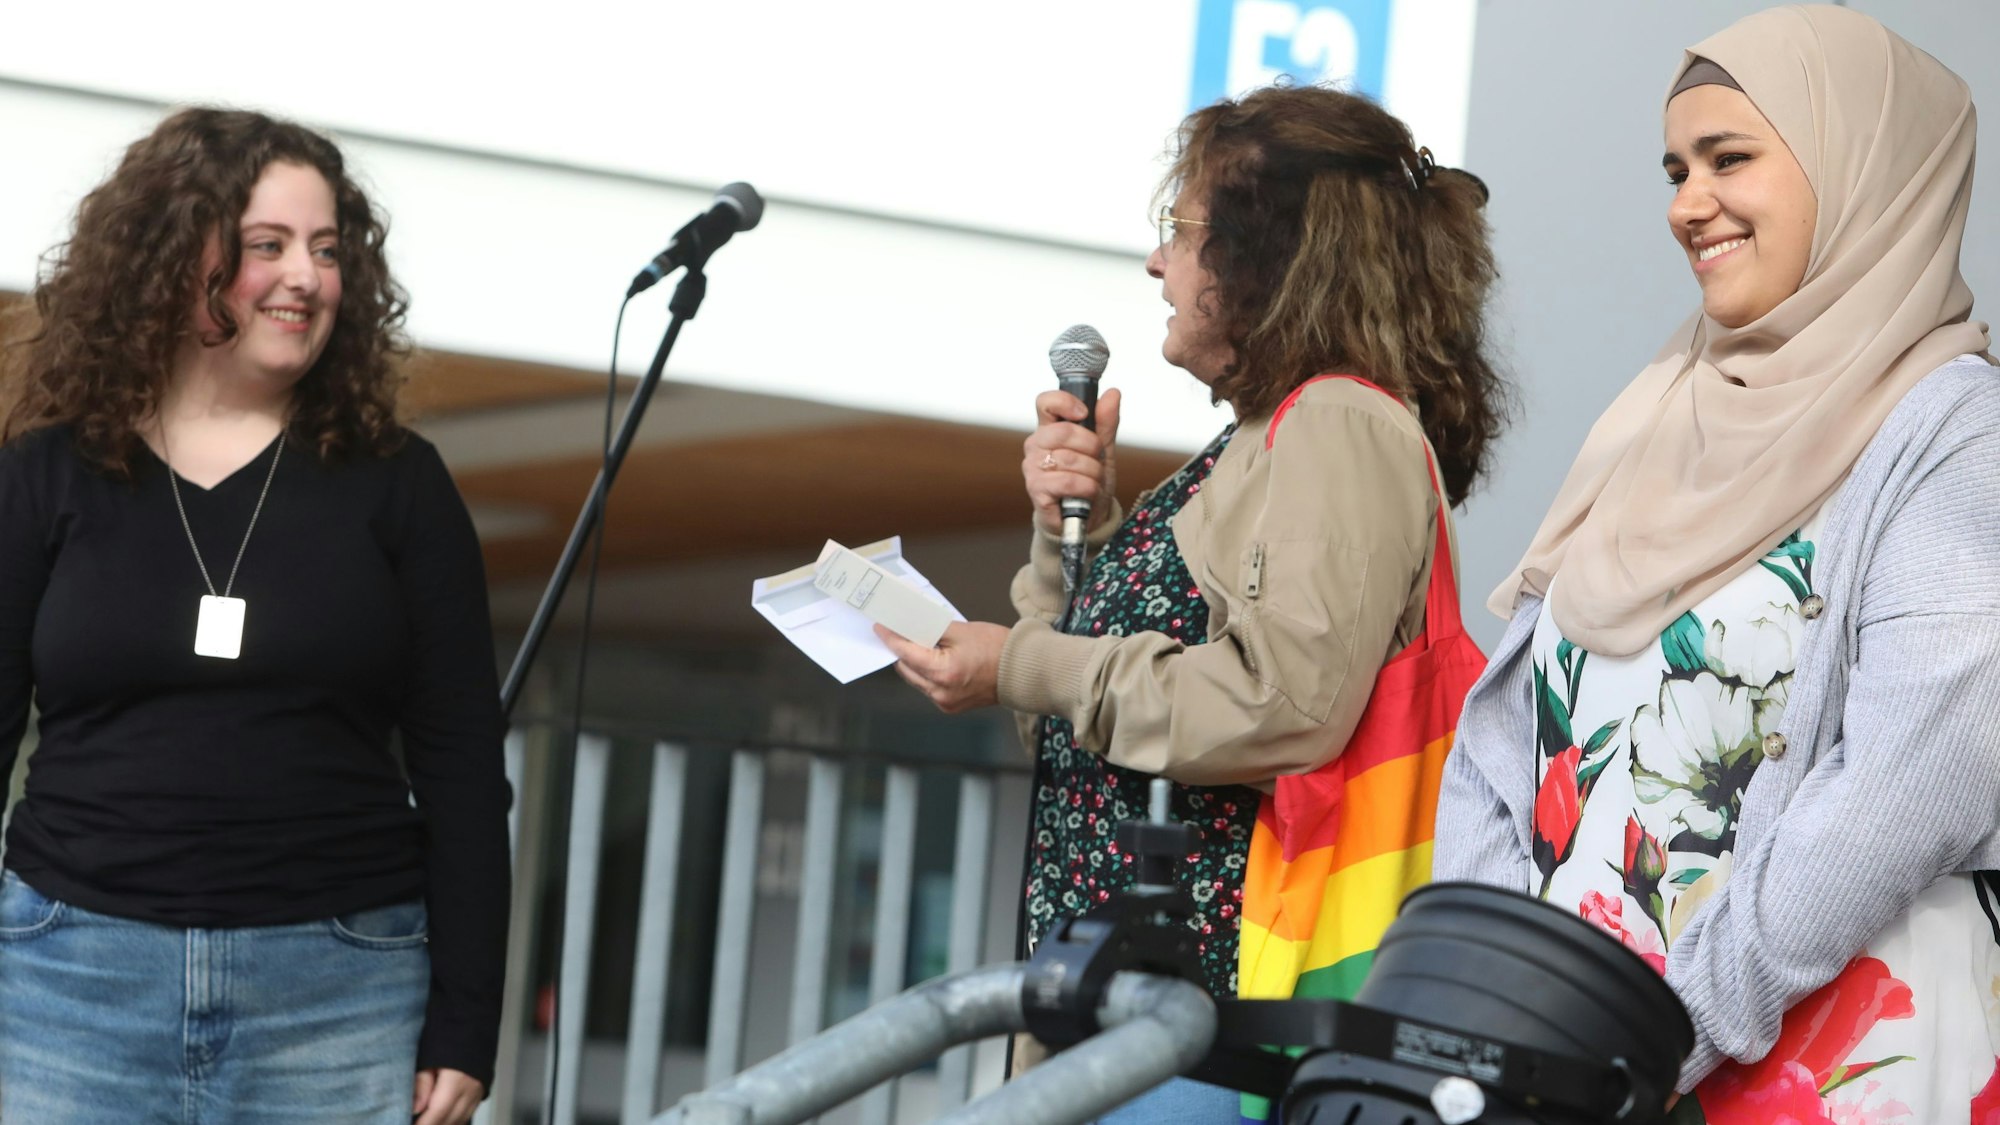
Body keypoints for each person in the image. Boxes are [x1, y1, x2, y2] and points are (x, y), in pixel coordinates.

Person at [879, 83, 1506, 1121]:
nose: (1156, 262)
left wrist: (1022, 663)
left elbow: (1279, 704)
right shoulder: (1260, 441)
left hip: (1219, 1012)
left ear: (1267, 253)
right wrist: (1068, 527)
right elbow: (1088, 719)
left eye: (1179, 228)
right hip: (1142, 1005)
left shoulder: (1339, 424)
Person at [1435, 6, 2000, 1119]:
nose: (1684, 204)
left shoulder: (1951, 438)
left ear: (1862, 171)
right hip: (1567, 1072)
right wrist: (1506, 1023)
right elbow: (1500, 751)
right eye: (1674, 168)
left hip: (1810, 1067)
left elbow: (1906, 791)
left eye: (1728, 159)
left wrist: (1646, 1040)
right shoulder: (1653, 417)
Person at [0, 107, 510, 1123]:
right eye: (266, 246)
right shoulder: (48, 473)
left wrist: (466, 1015)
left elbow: (461, 765)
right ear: (170, 260)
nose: (306, 278)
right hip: (69, 981)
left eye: (326, 251)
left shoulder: (401, 485)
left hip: (341, 993)